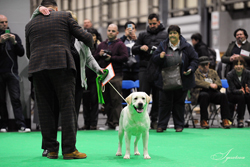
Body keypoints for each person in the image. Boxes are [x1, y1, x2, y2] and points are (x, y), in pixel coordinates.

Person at [25, 0, 94, 159]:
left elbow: (29, 53)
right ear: (56, 8)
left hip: (37, 68)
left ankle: (52, 150)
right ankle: (69, 150)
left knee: (45, 110)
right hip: (61, 66)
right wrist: (90, 42)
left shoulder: (30, 25)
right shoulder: (64, 16)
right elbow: (84, 36)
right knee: (68, 107)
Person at [152, 25, 198, 132]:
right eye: (171, 33)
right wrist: (160, 56)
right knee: (164, 103)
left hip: (182, 78)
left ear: (179, 34)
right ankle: (161, 125)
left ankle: (179, 125)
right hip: (165, 79)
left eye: (174, 33)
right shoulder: (162, 45)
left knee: (179, 103)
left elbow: (195, 59)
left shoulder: (187, 46)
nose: (172, 35)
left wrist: (191, 69)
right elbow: (154, 58)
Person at [132, 13, 168, 129]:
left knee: (158, 97)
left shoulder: (165, 34)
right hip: (144, 68)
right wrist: (141, 48)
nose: (152, 25)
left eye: (154, 23)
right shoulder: (142, 35)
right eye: (150, 23)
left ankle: (154, 120)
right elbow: (134, 49)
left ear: (159, 22)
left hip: (159, 68)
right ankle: (141, 120)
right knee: (142, 96)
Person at [94, 24, 128, 130]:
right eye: (109, 30)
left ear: (117, 33)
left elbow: (125, 58)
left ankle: (118, 123)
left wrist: (111, 58)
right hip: (104, 76)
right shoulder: (101, 45)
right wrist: (99, 54)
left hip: (116, 75)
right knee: (107, 101)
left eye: (113, 31)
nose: (110, 32)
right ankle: (109, 123)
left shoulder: (121, 44)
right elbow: (93, 58)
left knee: (116, 100)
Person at [0, 14, 31, 133]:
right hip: (0, 73)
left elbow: (22, 53)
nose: (4, 24)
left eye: (6, 22)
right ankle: (3, 125)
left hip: (12, 72)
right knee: (1, 101)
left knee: (15, 99)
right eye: (2, 22)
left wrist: (14, 42)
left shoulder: (15, 37)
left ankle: (21, 125)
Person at [190, 56, 231, 129]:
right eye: (203, 65)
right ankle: (204, 120)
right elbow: (195, 82)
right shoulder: (194, 72)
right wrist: (209, 85)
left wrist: (216, 86)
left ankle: (225, 119)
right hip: (199, 94)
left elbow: (219, 83)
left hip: (212, 93)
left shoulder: (213, 72)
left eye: (207, 64)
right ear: (199, 66)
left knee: (223, 96)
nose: (205, 67)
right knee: (204, 95)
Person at [80, 28, 102, 130]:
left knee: (94, 102)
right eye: (90, 35)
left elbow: (93, 60)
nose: (92, 37)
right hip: (85, 78)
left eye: (93, 35)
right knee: (85, 102)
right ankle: (86, 123)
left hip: (95, 79)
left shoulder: (99, 48)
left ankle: (94, 123)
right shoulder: (83, 46)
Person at [226, 56, 250, 128]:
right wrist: (240, 91)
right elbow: (232, 89)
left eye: (241, 64)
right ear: (234, 66)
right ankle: (240, 119)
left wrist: (248, 90)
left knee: (248, 96)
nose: (239, 66)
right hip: (232, 95)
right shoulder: (229, 75)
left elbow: (249, 85)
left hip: (245, 94)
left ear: (243, 66)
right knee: (241, 97)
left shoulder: (248, 73)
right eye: (236, 64)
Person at [120, 21, 139, 98]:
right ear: (125, 30)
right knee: (125, 94)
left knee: (139, 93)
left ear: (135, 30)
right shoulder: (121, 41)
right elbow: (116, 45)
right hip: (125, 70)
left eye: (133, 29)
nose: (131, 31)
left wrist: (137, 40)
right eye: (128, 29)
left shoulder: (139, 40)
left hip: (137, 70)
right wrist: (125, 36)